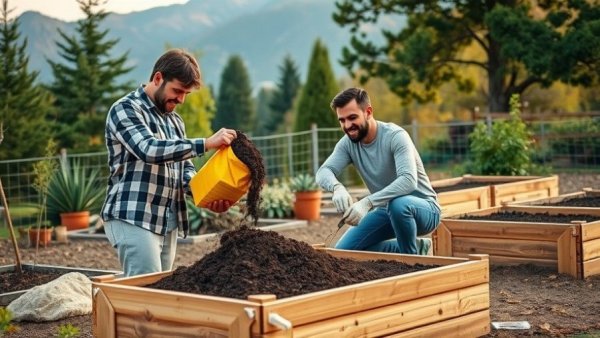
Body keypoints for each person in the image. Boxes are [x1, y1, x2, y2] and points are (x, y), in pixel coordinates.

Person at [101, 49, 237, 276]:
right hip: (134, 215)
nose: (181, 99)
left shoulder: (175, 121)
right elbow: (148, 149)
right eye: (177, 91)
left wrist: (207, 195)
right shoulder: (125, 109)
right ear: (157, 78)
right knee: (147, 293)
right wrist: (206, 143)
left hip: (167, 220)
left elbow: (185, 171)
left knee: (160, 292)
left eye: (186, 94)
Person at [316, 87, 441, 255]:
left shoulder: (395, 136)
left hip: (423, 209)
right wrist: (336, 187)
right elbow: (323, 171)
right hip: (386, 211)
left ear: (368, 112)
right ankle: (417, 247)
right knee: (344, 251)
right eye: (342, 120)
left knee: (399, 204)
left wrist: (367, 203)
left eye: (352, 118)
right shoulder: (348, 144)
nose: (347, 126)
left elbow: (408, 180)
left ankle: (412, 259)